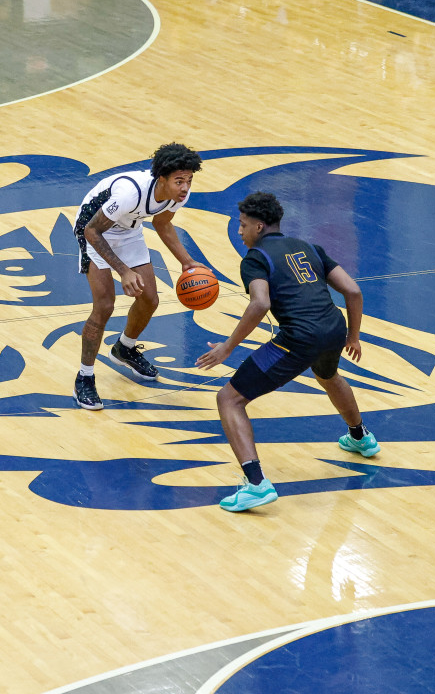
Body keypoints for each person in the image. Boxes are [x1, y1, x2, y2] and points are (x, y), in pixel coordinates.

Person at [196, 192, 380, 513]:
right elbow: (353, 290)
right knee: (328, 374)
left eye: (242, 225)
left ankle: (255, 484)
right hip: (333, 327)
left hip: (300, 337)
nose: (239, 232)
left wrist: (227, 347)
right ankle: (360, 437)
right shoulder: (309, 247)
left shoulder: (255, 258)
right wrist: (353, 335)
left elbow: (261, 303)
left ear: (259, 226)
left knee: (229, 399)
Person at [73, 144, 207, 411]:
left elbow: (162, 223)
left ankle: (124, 348)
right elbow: (92, 231)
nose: (185, 187)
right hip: (93, 229)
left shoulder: (178, 195)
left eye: (189, 180)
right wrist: (123, 271)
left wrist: (187, 262)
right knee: (104, 307)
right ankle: (84, 377)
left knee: (150, 299)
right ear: (162, 179)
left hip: (128, 230)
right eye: (179, 181)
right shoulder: (129, 194)